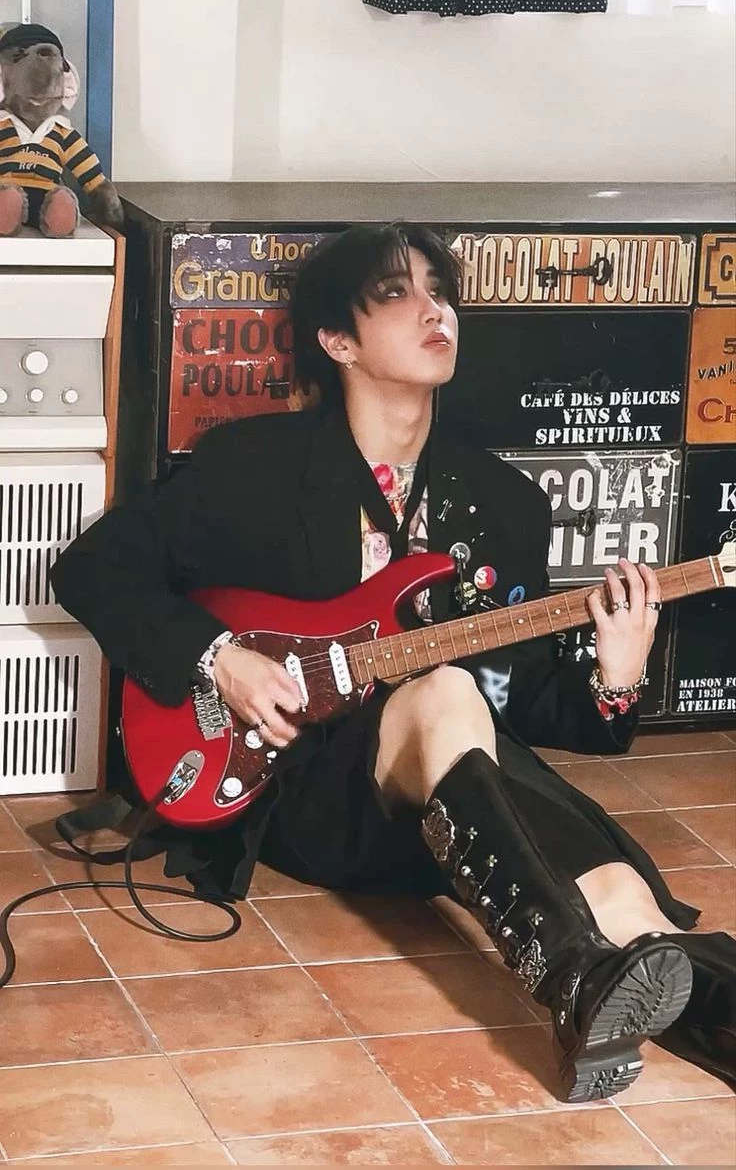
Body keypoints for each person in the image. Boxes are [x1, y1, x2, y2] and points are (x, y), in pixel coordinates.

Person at [51, 223, 735, 1103]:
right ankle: (574, 975)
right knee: (445, 693)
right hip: (307, 783)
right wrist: (221, 660)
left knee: (619, 893)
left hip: (459, 796)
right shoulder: (255, 468)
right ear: (339, 341)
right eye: (396, 294)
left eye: (440, 292)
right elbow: (92, 569)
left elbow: (517, 696)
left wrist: (619, 671)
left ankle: (658, 994)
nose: (433, 309)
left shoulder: (504, 503)